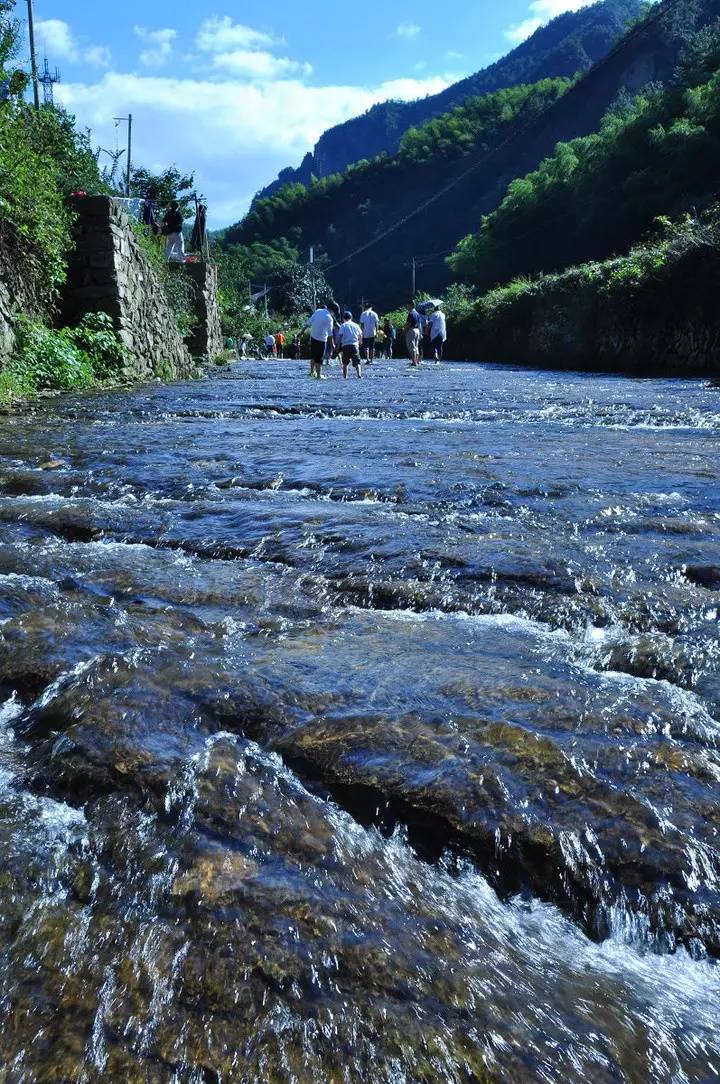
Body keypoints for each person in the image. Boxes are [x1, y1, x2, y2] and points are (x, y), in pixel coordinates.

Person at [307, 303, 335, 378]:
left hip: (313, 337)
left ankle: (312, 372)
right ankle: (319, 375)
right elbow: (330, 334)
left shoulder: (318, 311)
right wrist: (332, 345)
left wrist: (302, 331)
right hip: (322, 339)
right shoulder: (329, 318)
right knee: (319, 358)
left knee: (313, 356)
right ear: (332, 310)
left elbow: (309, 321)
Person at [338, 310, 364, 379]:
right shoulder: (356, 325)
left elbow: (340, 336)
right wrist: (360, 342)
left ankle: (345, 377)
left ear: (343, 318)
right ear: (351, 318)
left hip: (345, 346)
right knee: (357, 362)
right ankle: (359, 375)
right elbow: (360, 335)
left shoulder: (343, 326)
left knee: (345, 363)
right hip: (354, 345)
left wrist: (338, 346)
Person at [405, 300, 422, 367]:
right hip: (417, 330)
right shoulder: (417, 314)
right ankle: (416, 362)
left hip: (411, 330)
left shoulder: (411, 313)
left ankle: (414, 362)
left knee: (411, 347)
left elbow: (408, 324)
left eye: (407, 305)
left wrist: (404, 331)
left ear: (411, 305)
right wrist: (420, 334)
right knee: (416, 347)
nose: (407, 307)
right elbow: (420, 324)